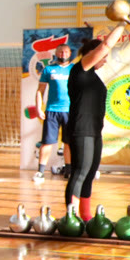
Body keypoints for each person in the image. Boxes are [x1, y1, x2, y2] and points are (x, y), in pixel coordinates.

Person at [66, 15, 130, 221]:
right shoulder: (80, 69)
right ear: (92, 55)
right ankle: (71, 216)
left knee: (90, 173)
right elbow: (106, 45)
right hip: (81, 129)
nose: (105, 61)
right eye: (103, 58)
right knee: (79, 172)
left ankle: (85, 216)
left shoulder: (93, 76)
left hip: (94, 130)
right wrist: (123, 24)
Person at [34, 44, 75, 182]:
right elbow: (40, 90)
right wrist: (39, 108)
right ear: (56, 53)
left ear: (70, 53)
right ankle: (40, 172)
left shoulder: (75, 69)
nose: (63, 54)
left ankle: (68, 170)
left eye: (66, 52)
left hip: (70, 111)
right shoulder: (49, 69)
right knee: (47, 142)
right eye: (60, 52)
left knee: (69, 142)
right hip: (52, 111)